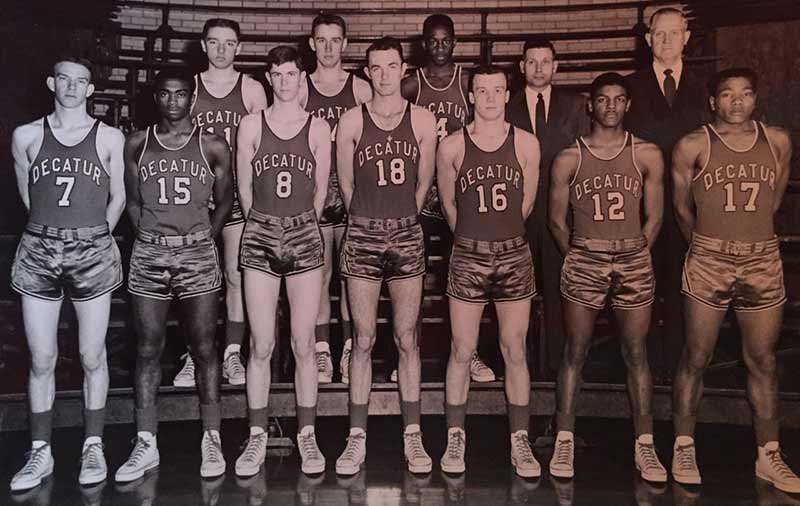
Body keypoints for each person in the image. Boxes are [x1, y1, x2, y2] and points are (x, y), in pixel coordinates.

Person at [671, 67, 800, 492]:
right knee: (696, 357)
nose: (737, 102)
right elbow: (682, 210)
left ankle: (768, 454)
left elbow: (776, 199)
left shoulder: (778, 141)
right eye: (727, 94)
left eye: (746, 93)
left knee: (762, 360)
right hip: (709, 257)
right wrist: (709, 246)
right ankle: (684, 445)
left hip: (761, 257)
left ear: (756, 98)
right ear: (713, 102)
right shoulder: (692, 145)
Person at [10, 55, 125, 491]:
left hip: (92, 248)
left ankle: (92, 444)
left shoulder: (109, 137)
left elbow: (118, 197)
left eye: (81, 81)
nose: (73, 87)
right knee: (42, 358)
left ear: (91, 89)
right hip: (39, 248)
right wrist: (52, 234)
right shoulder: (25, 135)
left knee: (93, 355)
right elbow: (27, 193)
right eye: (64, 79)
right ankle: (40, 451)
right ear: (51, 82)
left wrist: (96, 236)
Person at [547, 72, 667, 482]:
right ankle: (564, 439)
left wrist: (634, 252)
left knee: (636, 354)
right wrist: (581, 256)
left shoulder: (647, 153)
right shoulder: (569, 157)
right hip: (585, 259)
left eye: (619, 100)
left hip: (632, 257)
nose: (611, 106)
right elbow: (556, 222)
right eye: (603, 99)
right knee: (575, 351)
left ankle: (645, 445)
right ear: (590, 105)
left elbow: (655, 218)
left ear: (628, 105)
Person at [115, 68, 233, 482]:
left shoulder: (213, 146)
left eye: (181, 94)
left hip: (197, 254)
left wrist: (206, 239)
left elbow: (224, 202)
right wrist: (147, 236)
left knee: (203, 347)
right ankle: (145, 441)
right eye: (165, 95)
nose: (173, 102)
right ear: (156, 98)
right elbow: (130, 201)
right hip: (150, 254)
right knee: (148, 348)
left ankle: (212, 437)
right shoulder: (137, 143)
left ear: (192, 98)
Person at [334, 37, 437, 475]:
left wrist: (398, 220)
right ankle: (356, 437)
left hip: (407, 232)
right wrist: (371, 221)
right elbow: (345, 186)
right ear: (367, 72)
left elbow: (423, 186)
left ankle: (412, 436)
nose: (383, 75)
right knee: (363, 339)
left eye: (391, 66)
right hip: (362, 232)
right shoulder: (351, 121)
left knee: (406, 338)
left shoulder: (424, 120)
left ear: (403, 70)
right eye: (375, 68)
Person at [436, 66, 541, 477]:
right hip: (468, 254)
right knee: (462, 349)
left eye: (498, 90)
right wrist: (474, 241)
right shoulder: (451, 147)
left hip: (514, 253)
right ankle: (455, 438)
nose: (491, 98)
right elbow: (449, 207)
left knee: (514, 348)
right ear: (471, 95)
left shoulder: (528, 145)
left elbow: (526, 205)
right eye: (483, 90)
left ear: (507, 93)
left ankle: (520, 440)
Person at [233, 45, 331, 477]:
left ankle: (307, 435)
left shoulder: (318, 127)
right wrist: (268, 225)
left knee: (303, 343)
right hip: (260, 231)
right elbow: (243, 190)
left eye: (292, 73)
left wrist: (298, 226)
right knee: (262, 344)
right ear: (269, 79)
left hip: (304, 231)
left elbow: (322, 191)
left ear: (300, 77)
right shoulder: (250, 124)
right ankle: (256, 435)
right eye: (277, 74)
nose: (285, 81)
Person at [401, 13, 496, 384]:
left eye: (446, 40)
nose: (439, 47)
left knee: (467, 276)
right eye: (433, 41)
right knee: (414, 277)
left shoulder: (470, 81)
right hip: (424, 193)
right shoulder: (412, 85)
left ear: (455, 42)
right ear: (424, 44)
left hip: (462, 190)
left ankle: (469, 353)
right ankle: (409, 353)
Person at [173, 18, 267, 388]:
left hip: (237, 198)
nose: (222, 50)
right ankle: (194, 354)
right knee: (192, 281)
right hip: (195, 200)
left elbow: (265, 144)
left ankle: (231, 353)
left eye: (229, 44)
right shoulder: (189, 89)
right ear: (203, 45)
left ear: (239, 48)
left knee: (235, 276)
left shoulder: (253, 89)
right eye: (215, 43)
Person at [624, 7, 709, 381]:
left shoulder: (706, 87)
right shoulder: (630, 87)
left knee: (683, 287)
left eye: (675, 33)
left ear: (687, 37)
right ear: (648, 40)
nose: (667, 40)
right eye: (659, 34)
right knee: (640, 287)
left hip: (692, 205)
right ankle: (637, 366)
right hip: (641, 207)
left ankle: (677, 366)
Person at [506, 39, 589, 376]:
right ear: (522, 66)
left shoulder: (576, 106)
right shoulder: (505, 107)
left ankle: (558, 370)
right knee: (516, 297)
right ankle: (518, 368)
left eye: (545, 61)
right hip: (517, 214)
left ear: (556, 66)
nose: (539, 68)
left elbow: (585, 162)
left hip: (560, 214)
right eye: (532, 61)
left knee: (559, 293)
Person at [301, 13, 372, 385]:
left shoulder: (361, 89)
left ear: (345, 44)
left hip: (349, 189)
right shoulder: (298, 87)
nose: (328, 47)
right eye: (321, 40)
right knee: (318, 274)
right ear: (312, 44)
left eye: (335, 40)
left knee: (350, 275)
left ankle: (348, 349)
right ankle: (322, 351)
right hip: (312, 189)